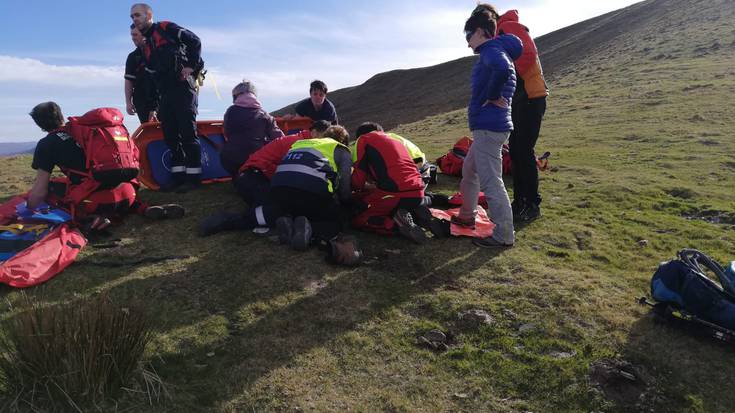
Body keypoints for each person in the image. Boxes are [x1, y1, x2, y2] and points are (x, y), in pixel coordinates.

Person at [27, 102, 183, 230]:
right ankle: (142, 208)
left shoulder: (48, 144)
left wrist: (27, 209)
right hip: (128, 194)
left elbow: (40, 190)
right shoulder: (88, 131)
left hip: (96, 203)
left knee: (53, 187)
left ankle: (93, 219)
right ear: (60, 115)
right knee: (105, 180)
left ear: (39, 124)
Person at [200, 127, 352, 253]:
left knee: (276, 211)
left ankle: (231, 220)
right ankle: (308, 230)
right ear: (343, 141)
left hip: (277, 186)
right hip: (299, 189)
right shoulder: (340, 149)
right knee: (335, 221)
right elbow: (344, 191)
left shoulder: (300, 143)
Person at [451, 4, 522, 248]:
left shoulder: (492, 51)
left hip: (488, 127)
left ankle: (504, 235)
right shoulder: (497, 49)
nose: (467, 41)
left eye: (468, 35)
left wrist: (491, 95)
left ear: (480, 31)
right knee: (470, 170)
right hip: (492, 126)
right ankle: (467, 215)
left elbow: (502, 69)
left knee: (492, 181)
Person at [130, 3, 204, 193]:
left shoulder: (166, 28)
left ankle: (194, 178)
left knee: (188, 133)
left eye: (137, 15)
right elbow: (152, 78)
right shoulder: (146, 46)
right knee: (171, 136)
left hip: (183, 89)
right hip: (165, 95)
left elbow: (195, 41)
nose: (135, 20)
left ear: (149, 15)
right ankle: (178, 177)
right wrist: (154, 106)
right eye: (132, 17)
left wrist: (191, 66)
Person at [350, 122, 442, 243]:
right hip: (419, 191)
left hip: (394, 193)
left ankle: (395, 225)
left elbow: (358, 181)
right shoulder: (396, 141)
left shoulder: (363, 140)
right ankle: (417, 214)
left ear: (359, 136)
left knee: (359, 219)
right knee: (393, 202)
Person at [497, 10, 548, 222]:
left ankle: (531, 204)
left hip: (530, 97)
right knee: (517, 152)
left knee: (523, 152)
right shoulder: (502, 30)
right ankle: (520, 202)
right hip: (523, 99)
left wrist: (508, 76)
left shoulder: (508, 27)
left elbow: (527, 55)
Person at [221, 80, 284, 176]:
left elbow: (227, 132)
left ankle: (238, 178)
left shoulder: (230, 111)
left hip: (230, 158)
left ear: (235, 96)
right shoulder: (264, 115)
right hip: (254, 159)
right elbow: (279, 138)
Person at [124, 24, 158, 124]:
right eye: (131, 35)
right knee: (149, 129)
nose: (133, 38)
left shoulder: (158, 51)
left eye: (135, 35)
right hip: (142, 99)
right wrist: (128, 102)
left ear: (144, 34)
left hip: (162, 97)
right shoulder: (133, 57)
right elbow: (129, 80)